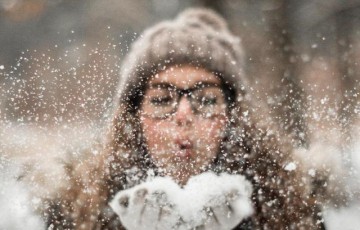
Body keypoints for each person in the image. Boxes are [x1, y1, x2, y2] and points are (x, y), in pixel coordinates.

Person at [44, 8, 324, 229]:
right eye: (162, 99)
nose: (183, 115)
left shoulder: (290, 208)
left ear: (233, 117)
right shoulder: (76, 211)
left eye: (206, 99)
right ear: (133, 117)